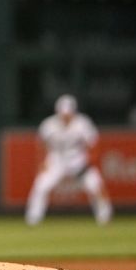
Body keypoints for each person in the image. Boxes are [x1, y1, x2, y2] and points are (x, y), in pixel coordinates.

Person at [25, 94, 113, 226]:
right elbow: (41, 145)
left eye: (68, 114)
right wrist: (42, 162)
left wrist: (91, 161)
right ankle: (33, 218)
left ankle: (104, 217)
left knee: (95, 185)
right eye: (63, 114)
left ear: (73, 112)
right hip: (56, 160)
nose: (66, 117)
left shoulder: (83, 123)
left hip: (78, 160)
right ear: (58, 112)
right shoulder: (49, 125)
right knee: (41, 186)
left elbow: (94, 144)